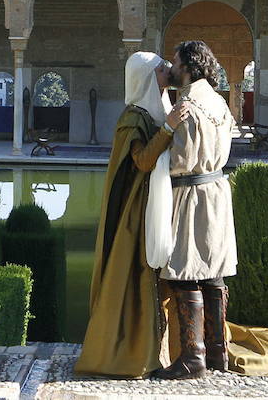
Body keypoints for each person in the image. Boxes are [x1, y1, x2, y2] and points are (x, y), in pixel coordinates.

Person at [74, 51, 192, 378]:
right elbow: (141, 162)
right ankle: (138, 351)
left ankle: (172, 348)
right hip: (136, 213)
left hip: (157, 204)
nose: (167, 74)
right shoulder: (133, 118)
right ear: (145, 79)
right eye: (161, 72)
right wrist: (167, 129)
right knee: (141, 274)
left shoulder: (156, 112)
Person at [153, 40, 238, 379]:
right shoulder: (217, 100)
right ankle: (218, 354)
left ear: (188, 66)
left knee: (185, 272)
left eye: (175, 63)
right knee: (212, 273)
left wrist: (155, 157)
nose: (171, 69)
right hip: (216, 190)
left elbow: (181, 160)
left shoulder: (187, 104)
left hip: (191, 193)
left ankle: (193, 358)